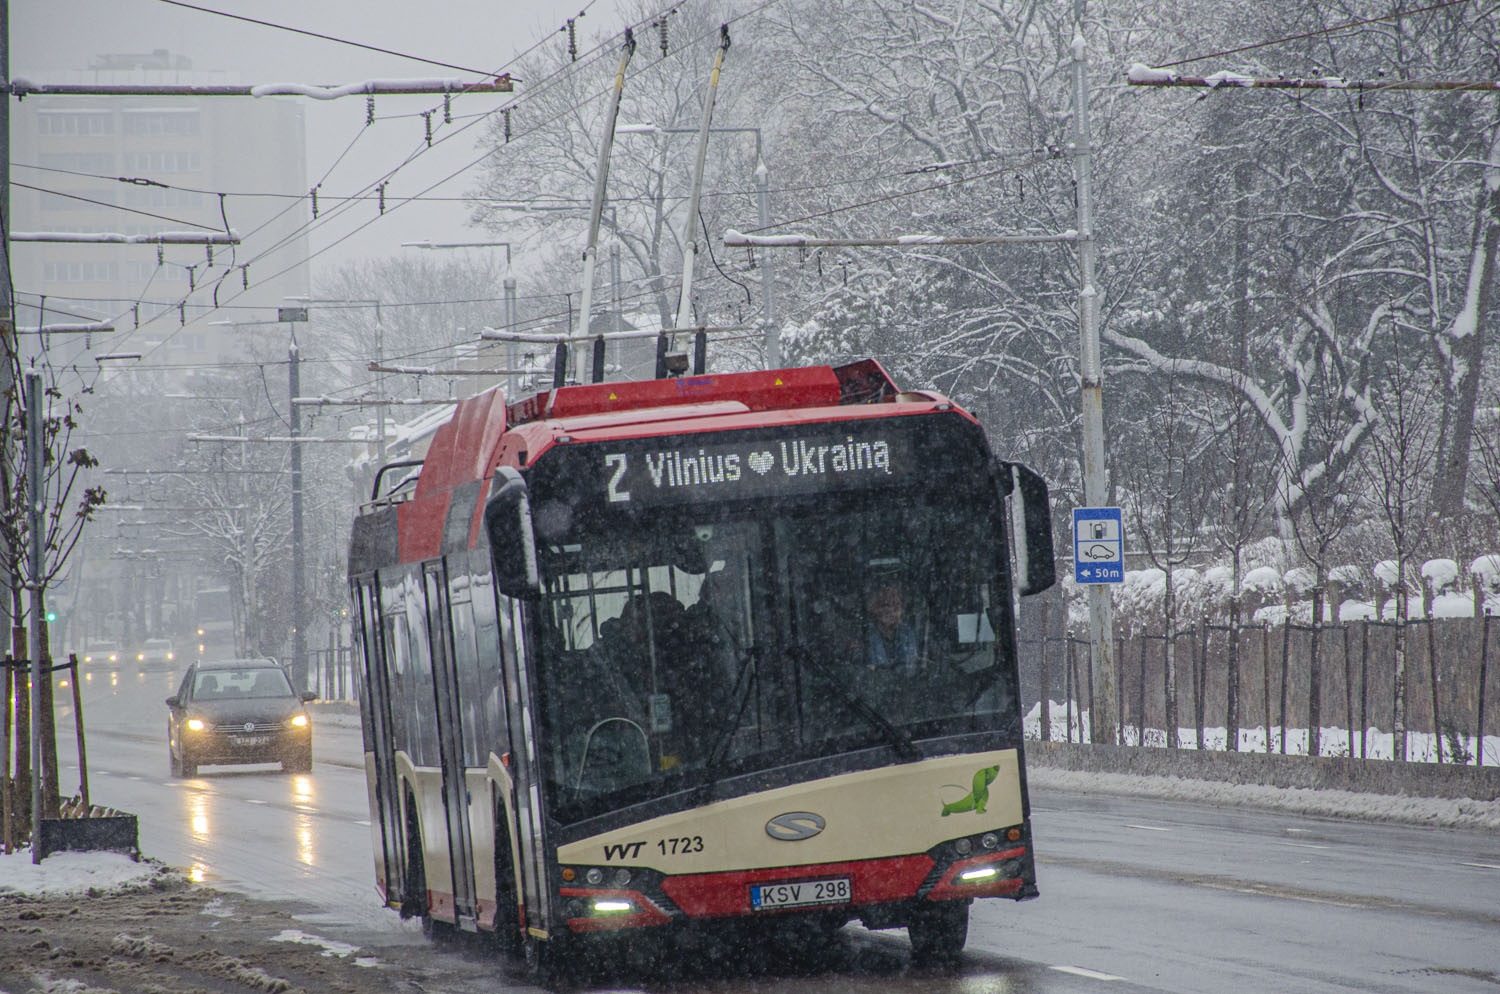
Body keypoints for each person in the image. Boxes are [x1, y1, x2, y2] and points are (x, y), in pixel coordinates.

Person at [856, 581, 920, 671]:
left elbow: (910, 668)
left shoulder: (907, 634)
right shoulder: (864, 634)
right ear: (875, 608)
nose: (891, 610)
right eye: (886, 605)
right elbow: (862, 670)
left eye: (896, 605)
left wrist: (880, 669)